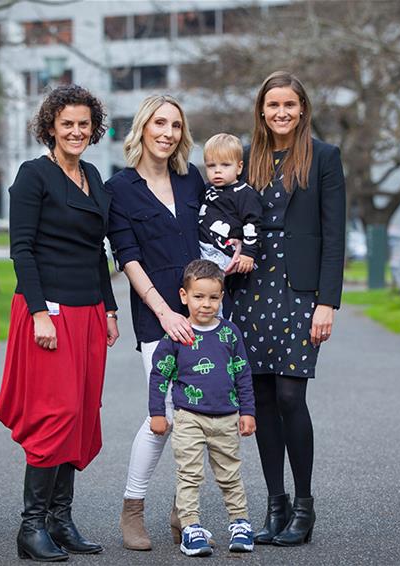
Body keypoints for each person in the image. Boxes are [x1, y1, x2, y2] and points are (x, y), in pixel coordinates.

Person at [106, 95, 242, 550]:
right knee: (163, 415)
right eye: (159, 123)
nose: (167, 133)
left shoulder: (192, 181)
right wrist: (164, 312)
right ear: (143, 127)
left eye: (176, 125)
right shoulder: (120, 188)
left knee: (205, 410)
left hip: (205, 315)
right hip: (158, 317)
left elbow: (212, 234)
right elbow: (128, 257)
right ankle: (133, 509)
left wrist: (236, 251)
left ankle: (184, 512)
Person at [0, 84, 119, 562]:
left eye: (84, 124)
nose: (76, 131)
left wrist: (108, 307)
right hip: (48, 312)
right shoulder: (33, 176)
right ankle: (31, 528)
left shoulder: (92, 175)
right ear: (50, 127)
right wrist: (38, 311)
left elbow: (97, 250)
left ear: (94, 129)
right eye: (66, 123)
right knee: (56, 415)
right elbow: (20, 249)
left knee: (82, 413)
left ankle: (60, 521)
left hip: (88, 311)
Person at [233, 71, 346, 547]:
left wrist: (328, 302)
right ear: (261, 110)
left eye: (290, 105)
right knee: (260, 401)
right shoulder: (246, 157)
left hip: (299, 292)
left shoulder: (323, 157)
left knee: (290, 397)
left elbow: (334, 235)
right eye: (272, 105)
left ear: (302, 109)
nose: (281, 112)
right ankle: (274, 505)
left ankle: (303, 504)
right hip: (250, 289)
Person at [148, 260, 257, 557]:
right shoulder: (177, 335)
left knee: (230, 474)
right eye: (199, 297)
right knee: (189, 475)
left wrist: (248, 411)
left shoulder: (230, 334)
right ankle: (191, 528)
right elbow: (159, 375)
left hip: (226, 417)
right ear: (184, 296)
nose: (206, 304)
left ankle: (240, 523)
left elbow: (242, 373)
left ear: (222, 297)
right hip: (189, 417)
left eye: (213, 297)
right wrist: (157, 413)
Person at [198, 133, 262, 316]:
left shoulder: (244, 194)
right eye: (211, 166)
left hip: (223, 254)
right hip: (202, 249)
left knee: (211, 287)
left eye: (225, 165)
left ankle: (217, 322)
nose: (217, 171)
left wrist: (248, 254)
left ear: (239, 167)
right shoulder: (206, 190)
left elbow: (252, 224)